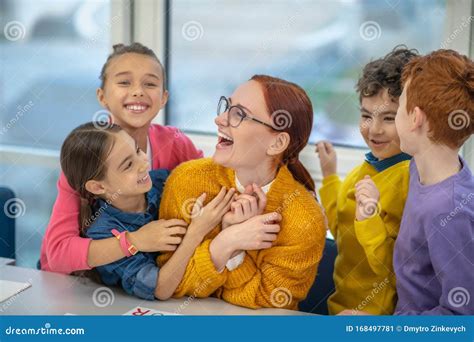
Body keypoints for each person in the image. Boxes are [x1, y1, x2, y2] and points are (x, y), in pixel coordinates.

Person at [157, 75, 326, 310]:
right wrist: (225, 242)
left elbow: (268, 304)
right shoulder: (187, 180)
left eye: (239, 114)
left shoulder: (305, 220)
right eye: (227, 107)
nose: (219, 119)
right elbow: (170, 287)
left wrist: (234, 252)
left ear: (277, 144)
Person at [40, 43, 203, 274]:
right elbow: (58, 254)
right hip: (76, 282)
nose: (138, 91)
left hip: (140, 277)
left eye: (150, 83)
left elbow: (212, 181)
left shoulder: (176, 143)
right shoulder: (88, 153)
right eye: (124, 82)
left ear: (164, 97)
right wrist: (135, 241)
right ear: (102, 96)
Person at [316, 46, 418, 314]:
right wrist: (329, 178)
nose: (373, 130)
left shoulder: (411, 179)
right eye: (365, 116)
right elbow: (341, 231)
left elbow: (394, 271)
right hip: (338, 307)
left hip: (374, 315)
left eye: (388, 118)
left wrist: (370, 217)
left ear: (413, 117)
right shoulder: (366, 167)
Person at [393, 49, 474, 315]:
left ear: (415, 118)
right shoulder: (419, 169)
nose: (395, 118)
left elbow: (460, 320)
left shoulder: (449, 211)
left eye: (398, 108)